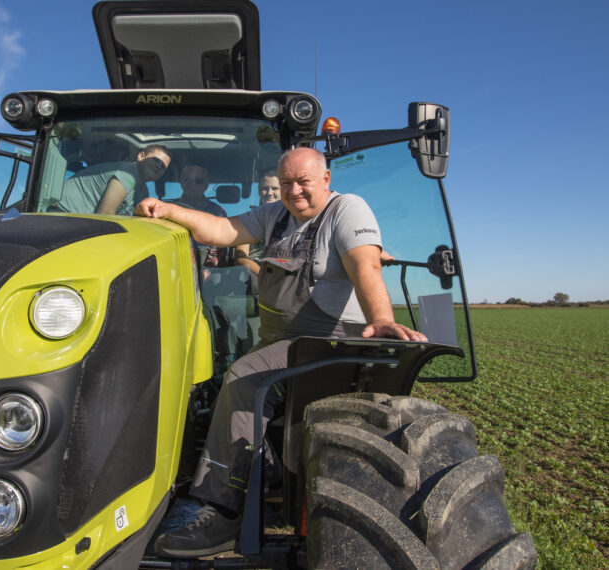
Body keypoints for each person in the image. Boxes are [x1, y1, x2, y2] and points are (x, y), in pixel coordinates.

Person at [134, 147, 426, 557]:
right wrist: (167, 210)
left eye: (303, 182)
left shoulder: (346, 210)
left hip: (324, 341)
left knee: (242, 379)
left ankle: (224, 511)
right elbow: (222, 229)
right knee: (226, 384)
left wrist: (380, 320)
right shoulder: (276, 216)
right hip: (278, 339)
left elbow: (366, 265)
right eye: (286, 183)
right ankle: (262, 468)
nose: (294, 191)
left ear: (326, 179)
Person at [55, 144, 171, 215]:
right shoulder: (127, 172)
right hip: (62, 215)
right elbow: (105, 214)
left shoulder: (143, 191)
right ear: (141, 156)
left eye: (163, 167)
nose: (158, 166)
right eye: (156, 160)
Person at [233, 167, 281, 276]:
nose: (269, 193)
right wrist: (264, 277)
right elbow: (240, 258)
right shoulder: (248, 219)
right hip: (253, 275)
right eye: (265, 188)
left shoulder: (293, 220)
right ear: (259, 190)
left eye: (274, 188)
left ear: (283, 190)